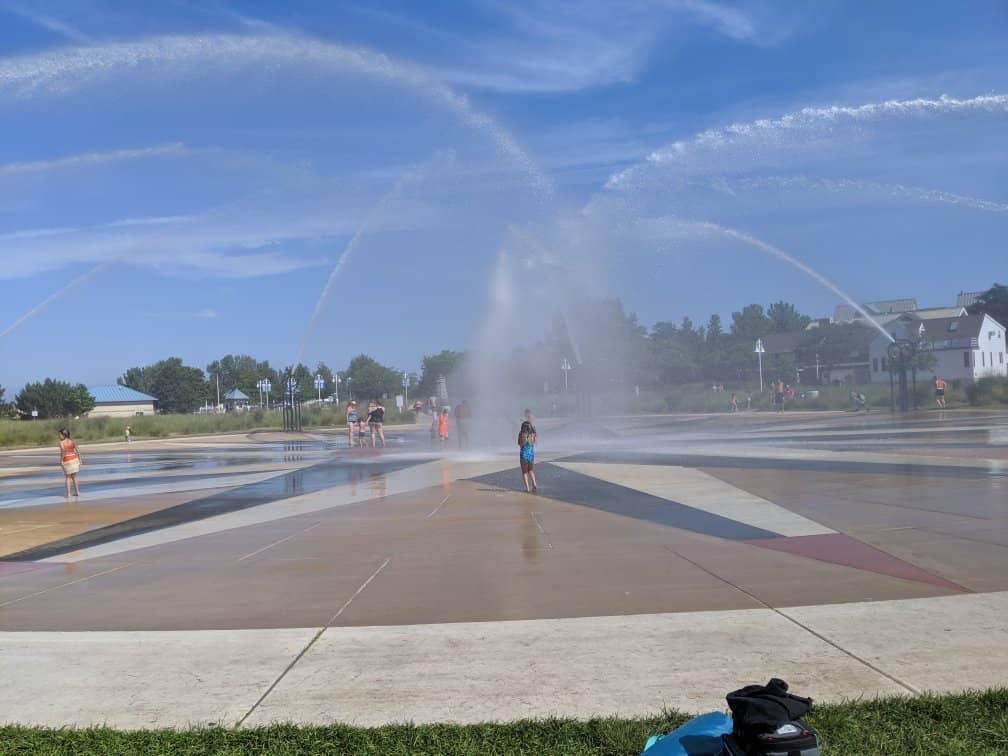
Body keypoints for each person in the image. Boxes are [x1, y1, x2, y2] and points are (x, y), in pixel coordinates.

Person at [58, 428, 83, 498]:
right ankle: (77, 492)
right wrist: (80, 459)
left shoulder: (61, 443)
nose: (59, 436)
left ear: (64, 435)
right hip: (74, 459)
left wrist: (61, 461)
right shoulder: (71, 441)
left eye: (60, 434)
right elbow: (77, 449)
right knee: (74, 477)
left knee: (68, 477)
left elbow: (63, 452)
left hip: (67, 460)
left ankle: (68, 494)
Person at [518, 420, 537, 493]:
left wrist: (521, 436)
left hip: (523, 457)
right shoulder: (532, 435)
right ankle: (534, 484)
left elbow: (519, 443)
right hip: (531, 456)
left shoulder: (521, 434)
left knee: (524, 473)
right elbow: (534, 442)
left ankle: (527, 488)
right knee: (531, 471)